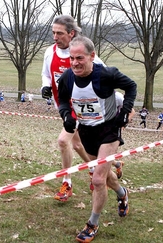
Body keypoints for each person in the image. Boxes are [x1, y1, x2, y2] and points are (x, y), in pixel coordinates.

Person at [57, 36, 136, 242]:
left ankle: (92, 224)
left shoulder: (107, 74)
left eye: (80, 58)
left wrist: (125, 113)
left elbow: (131, 86)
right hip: (87, 131)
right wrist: (66, 116)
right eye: (72, 58)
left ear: (92, 56)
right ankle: (122, 193)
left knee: (98, 179)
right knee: (105, 176)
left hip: (109, 131)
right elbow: (63, 100)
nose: (75, 63)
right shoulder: (67, 78)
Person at [40, 15, 123, 202]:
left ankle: (67, 182)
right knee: (77, 145)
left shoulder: (88, 56)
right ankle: (106, 165)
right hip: (64, 108)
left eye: (59, 33)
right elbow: (46, 75)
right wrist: (45, 87)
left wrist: (121, 105)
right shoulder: (49, 52)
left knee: (63, 141)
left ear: (71, 34)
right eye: (53, 33)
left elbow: (107, 81)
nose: (55, 37)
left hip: (85, 111)